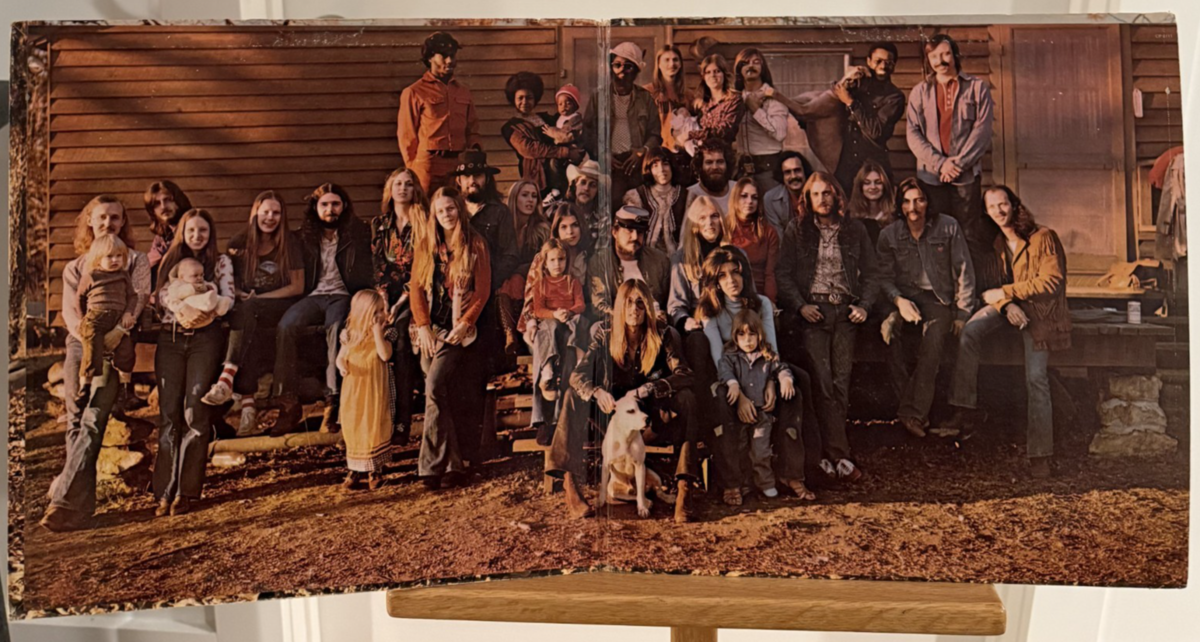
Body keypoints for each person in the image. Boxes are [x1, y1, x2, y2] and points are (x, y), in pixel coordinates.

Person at [943, 186, 1070, 479]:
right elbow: (990, 289)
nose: (999, 211)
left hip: (1040, 314)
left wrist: (1007, 293)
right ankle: (966, 410)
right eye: (992, 207)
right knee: (970, 332)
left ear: (1014, 205)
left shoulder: (1043, 237)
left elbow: (1052, 282)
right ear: (986, 213)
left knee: (1035, 378)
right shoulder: (996, 244)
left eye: (1003, 204)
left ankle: (1040, 455)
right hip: (1010, 308)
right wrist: (1007, 304)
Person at [41, 195, 151, 532]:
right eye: (101, 217)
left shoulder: (135, 260)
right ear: (89, 221)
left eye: (115, 218)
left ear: (123, 222)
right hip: (81, 345)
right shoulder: (76, 267)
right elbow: (70, 313)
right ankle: (80, 508)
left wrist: (117, 333)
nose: (108, 223)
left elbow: (139, 299)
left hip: (117, 344)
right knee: (75, 420)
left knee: (93, 418)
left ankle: (61, 501)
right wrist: (92, 341)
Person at [548, 279, 699, 523]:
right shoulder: (605, 333)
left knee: (687, 398)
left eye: (640, 303)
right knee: (572, 396)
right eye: (628, 303)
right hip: (613, 418)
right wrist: (597, 392)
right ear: (619, 306)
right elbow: (578, 375)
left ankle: (685, 487)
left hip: (649, 419)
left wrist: (649, 388)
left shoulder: (663, 333)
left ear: (647, 307)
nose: (634, 310)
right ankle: (570, 483)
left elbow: (685, 374)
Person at [777, 172, 879, 483]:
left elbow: (872, 274)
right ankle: (836, 455)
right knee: (821, 382)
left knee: (840, 383)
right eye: (816, 194)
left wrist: (864, 306)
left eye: (827, 193)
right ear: (807, 199)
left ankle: (831, 455)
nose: (822, 199)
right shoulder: (797, 230)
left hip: (845, 312)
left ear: (837, 196)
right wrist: (800, 305)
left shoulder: (854, 230)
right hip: (815, 313)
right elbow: (783, 273)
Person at [697, 248, 814, 504]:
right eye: (722, 276)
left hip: (761, 368)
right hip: (729, 374)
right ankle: (732, 482)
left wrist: (771, 381)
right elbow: (719, 358)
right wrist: (740, 396)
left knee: (793, 388)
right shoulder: (710, 310)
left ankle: (792, 473)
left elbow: (771, 349)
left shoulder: (761, 303)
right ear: (714, 281)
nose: (731, 280)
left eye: (736, 273)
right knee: (722, 400)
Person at [876, 178, 975, 438]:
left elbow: (964, 271)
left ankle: (913, 413)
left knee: (933, 340)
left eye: (919, 200)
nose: (913, 207)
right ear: (900, 205)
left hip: (937, 300)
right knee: (889, 334)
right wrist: (898, 301)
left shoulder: (948, 226)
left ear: (928, 202)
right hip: (903, 298)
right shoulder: (889, 234)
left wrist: (962, 313)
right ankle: (908, 406)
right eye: (907, 201)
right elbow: (883, 277)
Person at [272, 183, 374, 435]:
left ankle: (333, 402)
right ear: (315, 208)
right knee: (286, 326)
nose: (330, 209)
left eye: (335, 204)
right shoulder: (303, 237)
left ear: (344, 206)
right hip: (313, 296)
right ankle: (288, 403)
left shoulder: (358, 233)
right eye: (324, 205)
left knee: (336, 328)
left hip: (342, 295)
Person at [153, 208, 235, 517]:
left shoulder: (221, 262)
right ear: (182, 233)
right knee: (169, 414)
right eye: (191, 230)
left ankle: (186, 492)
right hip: (171, 338)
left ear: (210, 234)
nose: (197, 236)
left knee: (195, 411)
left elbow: (229, 298)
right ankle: (164, 491)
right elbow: (159, 296)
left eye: (203, 230)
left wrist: (204, 313)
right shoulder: (171, 262)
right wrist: (180, 308)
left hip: (205, 339)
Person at [409, 187, 491, 490]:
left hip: (457, 330)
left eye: (451, 208)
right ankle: (454, 465)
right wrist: (423, 326)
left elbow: (482, 290)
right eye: (441, 210)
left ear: (460, 210)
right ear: (434, 214)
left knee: (433, 386)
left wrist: (466, 323)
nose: (447, 214)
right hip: (430, 328)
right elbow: (416, 288)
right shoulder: (427, 244)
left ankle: (428, 467)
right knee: (439, 395)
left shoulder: (475, 243)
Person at [905, 34, 995, 267]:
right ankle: (940, 285)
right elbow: (913, 133)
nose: (941, 61)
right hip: (931, 176)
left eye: (945, 54)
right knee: (934, 232)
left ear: (955, 55)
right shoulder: (920, 92)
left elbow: (982, 131)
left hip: (965, 177)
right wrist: (940, 164)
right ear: (928, 60)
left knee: (968, 233)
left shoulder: (976, 88)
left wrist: (958, 164)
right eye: (934, 56)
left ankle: (969, 285)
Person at [520, 203, 590, 442]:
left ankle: (562, 417)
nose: (570, 232)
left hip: (573, 321)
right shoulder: (544, 257)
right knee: (544, 340)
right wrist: (531, 322)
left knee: (569, 348)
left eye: (575, 225)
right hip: (544, 321)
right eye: (564, 227)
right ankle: (544, 417)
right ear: (556, 230)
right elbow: (531, 299)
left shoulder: (587, 256)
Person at [717, 309, 797, 503]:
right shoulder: (730, 356)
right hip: (740, 415)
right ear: (735, 336)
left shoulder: (767, 355)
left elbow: (781, 368)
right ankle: (745, 485)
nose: (748, 340)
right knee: (741, 449)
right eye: (742, 335)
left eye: (752, 334)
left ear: (759, 334)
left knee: (761, 450)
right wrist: (733, 385)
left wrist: (785, 380)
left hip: (762, 414)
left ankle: (765, 483)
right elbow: (724, 372)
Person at [372, 168, 428, 445]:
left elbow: (423, 267)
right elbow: (378, 266)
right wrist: (384, 302)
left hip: (417, 292)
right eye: (398, 184)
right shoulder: (380, 224)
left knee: (403, 338)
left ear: (415, 189)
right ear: (390, 190)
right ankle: (379, 420)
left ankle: (403, 421)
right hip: (385, 295)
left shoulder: (424, 221)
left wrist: (400, 303)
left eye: (408, 184)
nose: (403, 188)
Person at [398, 31, 481, 194]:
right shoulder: (414, 92)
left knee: (456, 206)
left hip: (458, 164)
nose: (450, 61)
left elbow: (472, 128)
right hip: (428, 165)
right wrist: (413, 170)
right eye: (443, 55)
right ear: (430, 57)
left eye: (452, 55)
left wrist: (475, 150)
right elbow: (407, 136)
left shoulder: (463, 92)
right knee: (425, 207)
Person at [583, 41, 660, 201]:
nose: (622, 70)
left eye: (628, 66)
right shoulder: (598, 97)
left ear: (636, 70)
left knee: (637, 205)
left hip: (637, 164)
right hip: (607, 164)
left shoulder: (645, 98)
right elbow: (588, 133)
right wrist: (603, 153)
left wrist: (642, 151)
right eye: (617, 65)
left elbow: (655, 134)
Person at [336, 289, 395, 492]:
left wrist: (377, 332)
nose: (379, 315)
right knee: (354, 426)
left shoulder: (387, 333)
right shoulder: (350, 335)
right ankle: (354, 469)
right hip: (354, 389)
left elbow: (385, 355)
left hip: (374, 388)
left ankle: (375, 470)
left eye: (381, 310)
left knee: (373, 425)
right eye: (374, 312)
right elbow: (341, 356)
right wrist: (342, 365)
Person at [833, 42, 906, 194]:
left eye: (889, 62)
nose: (883, 66)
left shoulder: (895, 97)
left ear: (894, 66)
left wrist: (851, 103)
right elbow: (835, 94)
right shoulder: (857, 84)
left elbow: (875, 131)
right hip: (846, 164)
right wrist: (850, 75)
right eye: (878, 61)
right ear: (869, 61)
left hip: (873, 165)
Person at [525, 238, 586, 422]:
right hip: (551, 321)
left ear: (567, 260)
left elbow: (580, 304)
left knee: (579, 321)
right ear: (545, 262)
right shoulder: (541, 284)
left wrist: (569, 312)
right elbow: (537, 310)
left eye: (561, 259)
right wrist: (554, 314)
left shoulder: (572, 282)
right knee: (548, 326)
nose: (557, 264)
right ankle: (548, 366)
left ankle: (579, 357)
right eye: (552, 260)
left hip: (569, 320)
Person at [73, 235, 137, 406]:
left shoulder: (123, 276)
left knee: (126, 351)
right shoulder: (91, 276)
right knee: (91, 350)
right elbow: (79, 298)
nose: (115, 260)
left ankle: (125, 389)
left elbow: (132, 296)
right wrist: (82, 319)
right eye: (109, 256)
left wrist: (128, 313)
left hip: (118, 320)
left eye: (119, 256)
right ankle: (85, 388)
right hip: (96, 319)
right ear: (97, 258)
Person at [500, 71, 584, 196]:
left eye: (529, 97)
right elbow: (530, 149)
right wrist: (566, 152)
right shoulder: (510, 128)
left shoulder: (546, 118)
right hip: (536, 175)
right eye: (520, 98)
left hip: (559, 169)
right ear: (513, 99)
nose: (525, 102)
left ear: (535, 99)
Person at [586, 206, 671, 325]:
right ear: (614, 232)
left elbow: (670, 302)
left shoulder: (659, 260)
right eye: (629, 230)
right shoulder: (600, 262)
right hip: (617, 325)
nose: (635, 237)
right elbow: (599, 306)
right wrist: (627, 318)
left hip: (654, 326)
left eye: (640, 232)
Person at [734, 48, 791, 194]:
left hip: (768, 169)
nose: (750, 66)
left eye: (756, 62)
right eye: (745, 63)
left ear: (763, 67)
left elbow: (780, 134)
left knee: (772, 206)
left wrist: (755, 110)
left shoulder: (773, 97)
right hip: (741, 170)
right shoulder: (734, 99)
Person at [646, 44, 696, 185]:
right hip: (657, 154)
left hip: (681, 155)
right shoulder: (648, 92)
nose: (671, 64)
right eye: (666, 60)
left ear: (680, 64)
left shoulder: (687, 95)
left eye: (675, 60)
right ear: (658, 64)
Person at [724, 177, 780, 303]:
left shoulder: (769, 232)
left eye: (754, 198)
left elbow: (770, 273)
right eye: (744, 196)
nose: (749, 201)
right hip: (731, 296)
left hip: (760, 296)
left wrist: (770, 302)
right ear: (735, 198)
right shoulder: (724, 229)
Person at [622, 147, 687, 254]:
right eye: (655, 165)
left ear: (672, 166)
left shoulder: (686, 196)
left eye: (665, 164)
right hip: (645, 255)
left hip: (680, 256)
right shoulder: (637, 196)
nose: (661, 169)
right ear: (649, 170)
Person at [691, 53, 744, 147]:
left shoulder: (734, 100)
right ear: (703, 77)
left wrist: (691, 134)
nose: (713, 75)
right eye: (708, 72)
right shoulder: (701, 103)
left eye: (717, 71)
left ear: (724, 74)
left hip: (723, 152)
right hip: (700, 152)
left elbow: (724, 131)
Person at [144, 180, 193, 274]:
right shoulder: (161, 238)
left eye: (167, 200)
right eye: (157, 204)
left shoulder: (192, 229)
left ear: (179, 201)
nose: (163, 207)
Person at [847, 160, 898, 247]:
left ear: (885, 186)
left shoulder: (895, 218)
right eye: (867, 183)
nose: (873, 187)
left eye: (878, 182)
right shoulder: (851, 218)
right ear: (860, 187)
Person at [761, 151, 809, 238]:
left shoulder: (817, 193)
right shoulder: (770, 199)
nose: (793, 176)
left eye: (797, 170)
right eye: (787, 172)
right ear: (782, 176)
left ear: (805, 171)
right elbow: (778, 236)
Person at [685, 137, 737, 215]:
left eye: (720, 162)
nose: (715, 167)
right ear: (700, 166)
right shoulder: (690, 195)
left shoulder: (738, 189)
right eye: (709, 162)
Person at [565, 159, 603, 250]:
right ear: (575, 185)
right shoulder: (561, 211)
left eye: (592, 185)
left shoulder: (603, 219)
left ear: (597, 191)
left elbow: (602, 251)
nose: (586, 188)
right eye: (583, 182)